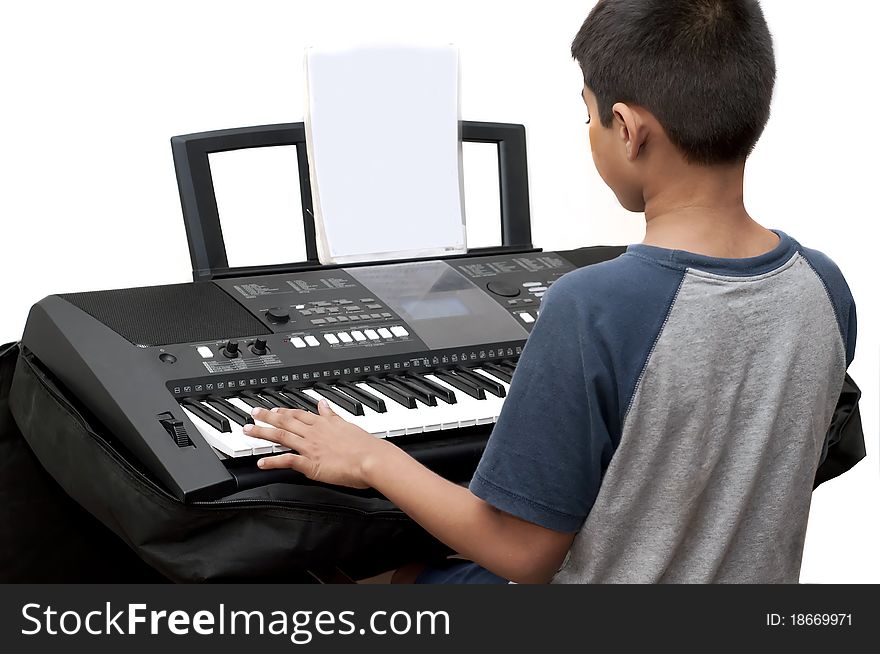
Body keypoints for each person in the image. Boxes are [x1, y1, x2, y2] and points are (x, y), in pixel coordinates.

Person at [243, 0, 857, 583]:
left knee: (392, 576)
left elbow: (523, 553)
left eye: (588, 112)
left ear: (627, 129)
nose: (588, 128)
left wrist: (369, 455)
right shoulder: (824, 287)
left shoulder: (592, 307)